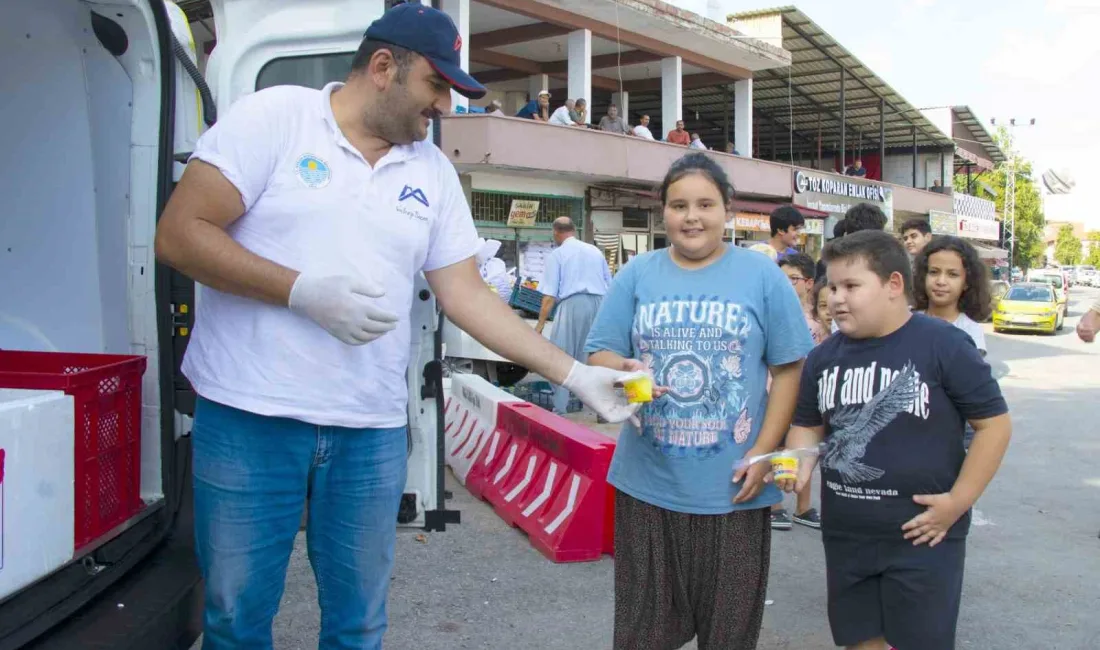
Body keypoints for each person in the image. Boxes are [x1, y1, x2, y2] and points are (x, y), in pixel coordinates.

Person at [153, 6, 641, 648]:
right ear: (383, 67)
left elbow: (466, 293)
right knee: (236, 620)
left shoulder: (430, 172)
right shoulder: (275, 119)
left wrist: (574, 374)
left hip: (369, 433)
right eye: (435, 87)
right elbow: (180, 235)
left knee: (358, 627)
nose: (441, 106)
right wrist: (299, 291)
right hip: (251, 417)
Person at [585, 152, 814, 650]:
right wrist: (622, 368)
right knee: (641, 636)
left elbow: (789, 367)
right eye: (679, 205)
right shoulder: (636, 274)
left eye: (706, 204)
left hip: (734, 489)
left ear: (728, 210)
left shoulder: (763, 277)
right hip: (647, 485)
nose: (692, 216)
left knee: (728, 636)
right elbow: (598, 353)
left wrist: (763, 452)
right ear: (662, 212)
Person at [781, 230, 1012, 650]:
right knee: (860, 639)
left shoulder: (944, 344)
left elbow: (994, 425)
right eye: (831, 286)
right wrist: (799, 460)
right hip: (847, 534)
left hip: (923, 535)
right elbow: (808, 423)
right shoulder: (822, 358)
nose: (836, 298)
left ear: (893, 285)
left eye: (851, 286)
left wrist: (958, 501)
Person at [536, 217, 613, 415]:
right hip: (600, 304)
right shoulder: (595, 251)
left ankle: (560, 409)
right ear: (574, 231)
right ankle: (601, 409)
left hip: (572, 305)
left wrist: (540, 325)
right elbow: (609, 284)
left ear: (556, 232)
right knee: (594, 357)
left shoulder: (558, 255)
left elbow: (549, 296)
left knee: (560, 356)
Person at [772, 252, 826, 531]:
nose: (786, 285)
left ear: (808, 282)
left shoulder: (821, 314)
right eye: (781, 279)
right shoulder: (774, 312)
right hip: (778, 391)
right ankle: (774, 504)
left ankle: (804, 507)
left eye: (792, 279)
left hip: (811, 393)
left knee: (806, 447)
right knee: (779, 446)